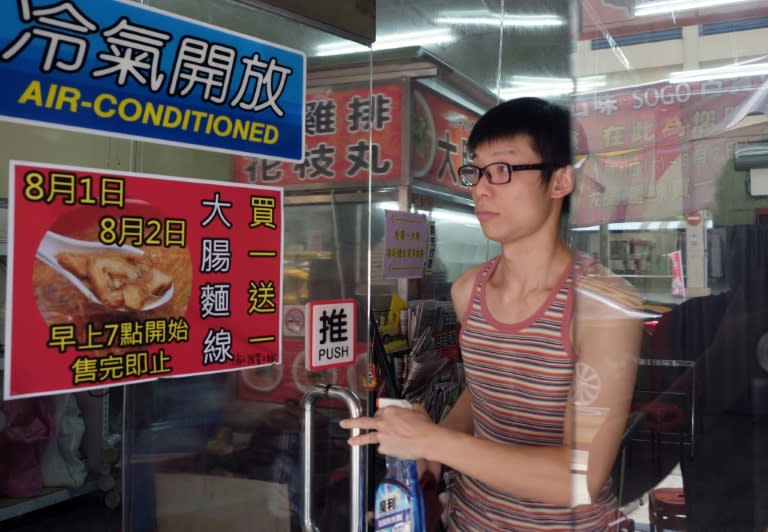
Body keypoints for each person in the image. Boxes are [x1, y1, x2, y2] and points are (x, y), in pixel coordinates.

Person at [341, 97, 644, 530]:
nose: (480, 188)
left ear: (560, 180)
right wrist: (429, 454)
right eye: (475, 170)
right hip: (469, 520)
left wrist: (437, 441)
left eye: (502, 170)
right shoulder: (470, 290)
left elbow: (582, 478)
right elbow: (481, 394)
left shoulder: (602, 305)